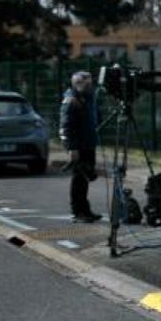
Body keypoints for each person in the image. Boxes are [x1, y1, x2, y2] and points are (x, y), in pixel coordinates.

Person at [59, 71, 101, 223]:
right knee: (79, 179)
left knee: (85, 179)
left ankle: (85, 209)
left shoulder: (88, 98)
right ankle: (78, 211)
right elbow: (65, 126)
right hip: (78, 146)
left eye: (90, 83)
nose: (90, 86)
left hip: (89, 143)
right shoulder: (71, 101)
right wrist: (71, 148)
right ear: (77, 84)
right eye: (86, 84)